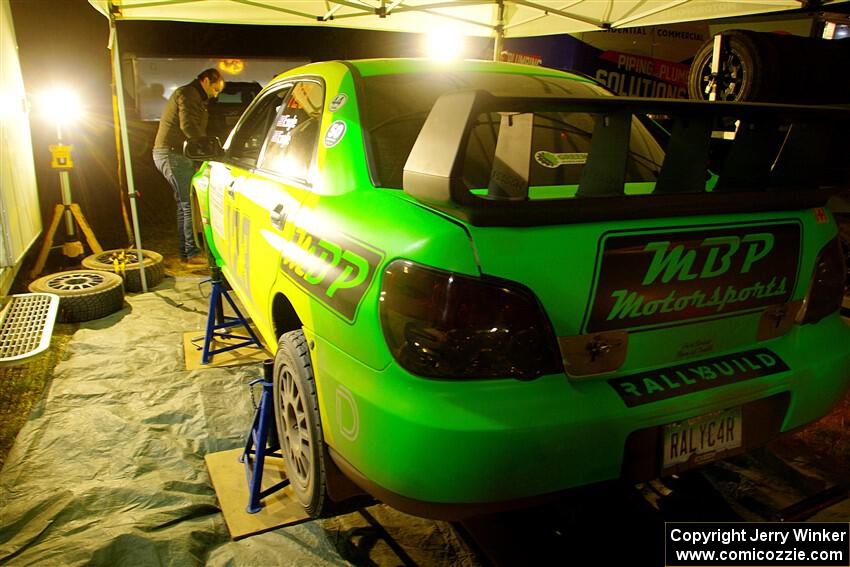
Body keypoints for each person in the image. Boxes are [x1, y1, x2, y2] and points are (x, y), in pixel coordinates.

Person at [152, 68, 225, 264]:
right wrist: (205, 149)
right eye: (215, 89)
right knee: (187, 204)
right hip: (172, 153)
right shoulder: (188, 94)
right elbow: (188, 126)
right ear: (207, 80)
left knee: (183, 203)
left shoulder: (193, 96)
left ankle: (186, 252)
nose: (215, 95)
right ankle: (192, 253)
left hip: (173, 153)